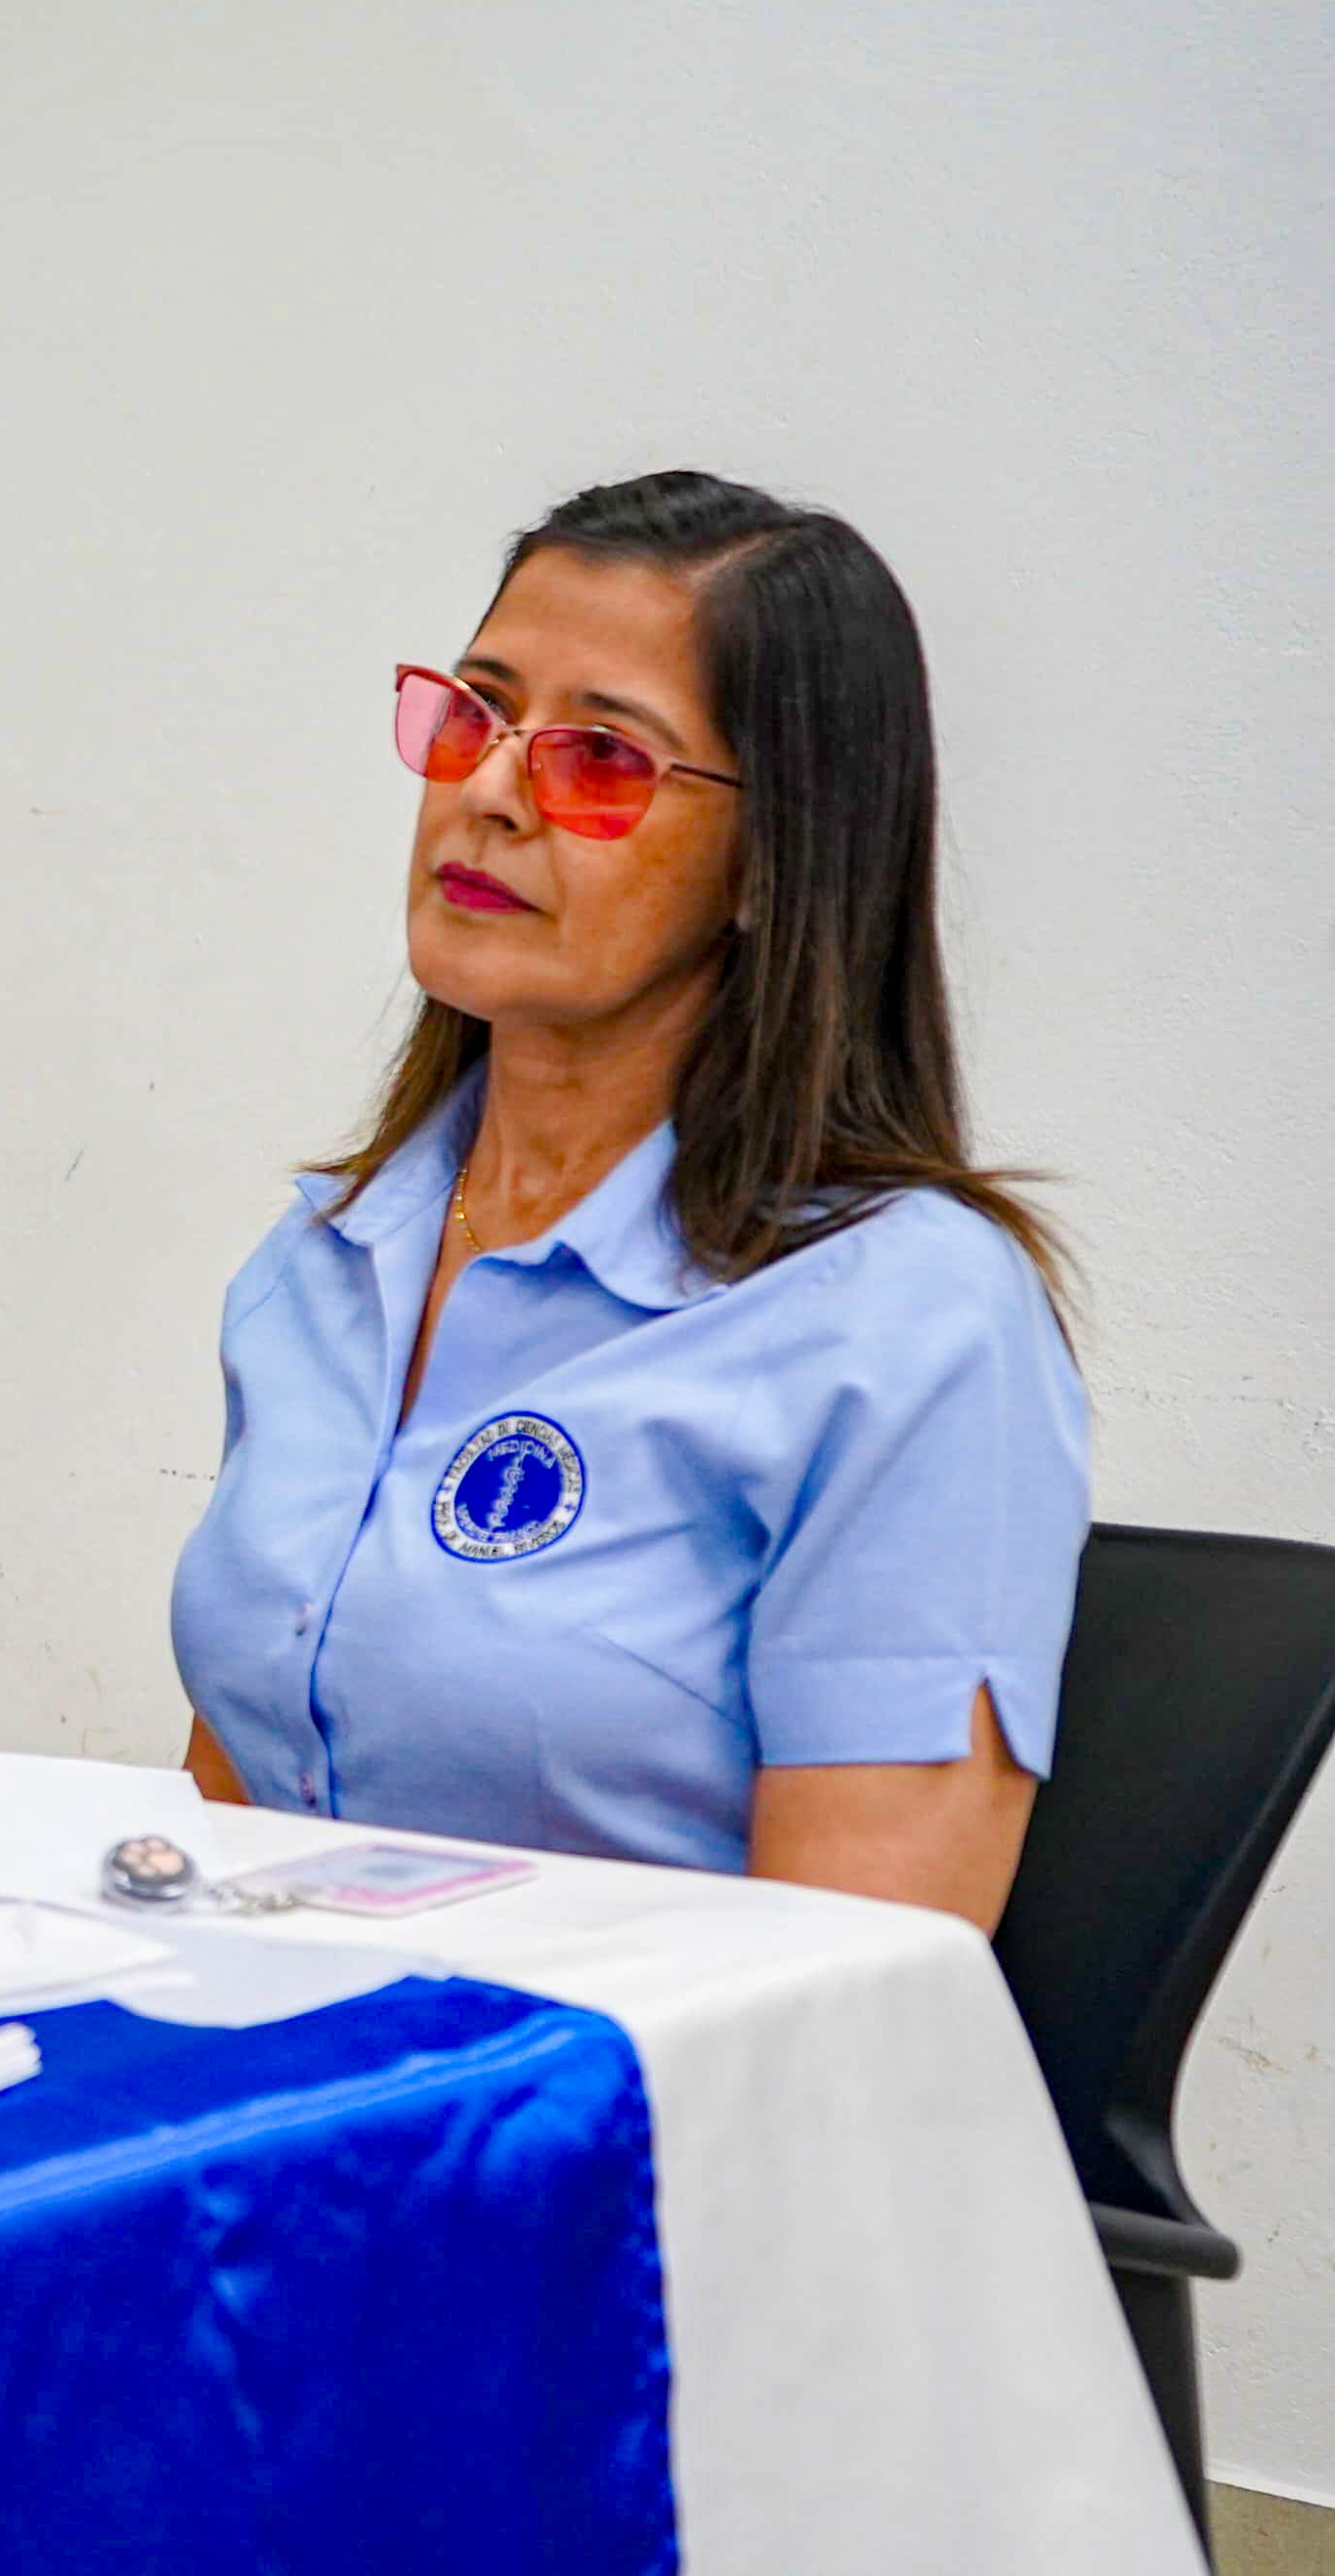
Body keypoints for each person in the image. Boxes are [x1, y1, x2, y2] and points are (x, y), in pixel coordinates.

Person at [167, 471, 1080, 1931]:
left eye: (600, 757)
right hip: (298, 2090)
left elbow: (856, 1983)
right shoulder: (326, 1256)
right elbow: (236, 1815)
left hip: (618, 2124)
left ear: (772, 865)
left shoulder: (908, 1317)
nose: (486, 792)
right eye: (472, 714)